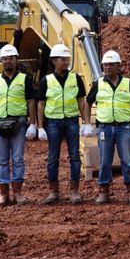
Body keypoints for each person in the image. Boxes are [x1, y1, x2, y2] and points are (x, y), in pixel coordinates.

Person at [82, 50, 130, 205]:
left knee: (127, 160)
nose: (108, 67)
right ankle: (103, 191)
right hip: (105, 128)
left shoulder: (127, 83)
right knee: (104, 161)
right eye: (105, 65)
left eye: (111, 64)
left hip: (123, 127)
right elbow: (87, 103)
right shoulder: (98, 84)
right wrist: (87, 123)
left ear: (119, 66)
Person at [0, 44, 37, 207]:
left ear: (16, 60)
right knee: (2, 161)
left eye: (11, 58)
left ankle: (18, 193)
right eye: (5, 58)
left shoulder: (25, 79)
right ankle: (3, 194)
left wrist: (32, 124)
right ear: (1, 61)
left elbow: (30, 102)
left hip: (19, 124)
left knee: (18, 159)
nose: (8, 61)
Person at [37, 43, 87, 204]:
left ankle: (74, 191)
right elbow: (41, 104)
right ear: (53, 61)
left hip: (72, 121)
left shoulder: (75, 78)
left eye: (67, 59)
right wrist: (39, 126)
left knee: (75, 157)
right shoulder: (46, 80)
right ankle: (53, 191)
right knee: (53, 157)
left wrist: (85, 121)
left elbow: (81, 101)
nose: (65, 62)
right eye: (62, 59)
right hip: (53, 123)